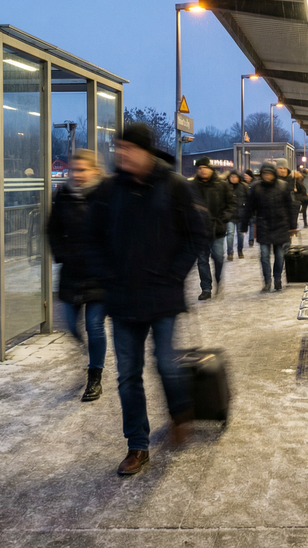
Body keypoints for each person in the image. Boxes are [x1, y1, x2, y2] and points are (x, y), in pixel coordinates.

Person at [87, 123, 210, 475]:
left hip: (163, 296)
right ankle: (137, 446)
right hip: (123, 300)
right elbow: (91, 237)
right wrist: (107, 275)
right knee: (128, 375)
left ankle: (180, 411)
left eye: (128, 148)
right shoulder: (109, 190)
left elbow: (197, 233)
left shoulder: (173, 187)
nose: (122, 154)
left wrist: (175, 273)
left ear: (146, 151)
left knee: (167, 365)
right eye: (118, 148)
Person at [46, 149, 107, 402]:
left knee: (94, 326)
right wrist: (62, 255)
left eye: (83, 169)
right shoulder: (63, 196)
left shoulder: (105, 197)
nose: (78, 174)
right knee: (71, 326)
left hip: (98, 275)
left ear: (95, 170)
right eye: (74, 170)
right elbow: (52, 230)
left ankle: (95, 376)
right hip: (71, 273)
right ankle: (91, 353)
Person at [242, 160, 297, 291]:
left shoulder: (283, 186)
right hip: (264, 225)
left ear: (273, 174)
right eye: (265, 174)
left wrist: (292, 226)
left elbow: (290, 207)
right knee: (265, 256)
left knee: (279, 256)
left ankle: (277, 279)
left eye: (269, 174)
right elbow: (249, 208)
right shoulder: (257, 188)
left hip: (280, 225)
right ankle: (267, 281)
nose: (267, 176)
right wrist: (244, 225)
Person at [190, 158, 235, 301]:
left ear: (211, 169)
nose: (202, 170)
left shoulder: (221, 185)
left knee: (218, 257)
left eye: (205, 167)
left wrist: (223, 218)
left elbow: (231, 204)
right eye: (199, 168)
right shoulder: (192, 186)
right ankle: (206, 288)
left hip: (218, 229)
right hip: (199, 230)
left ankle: (218, 278)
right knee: (202, 260)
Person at [225, 170, 249, 260]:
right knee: (230, 234)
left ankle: (240, 251)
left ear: (239, 178)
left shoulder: (243, 187)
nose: (233, 178)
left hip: (241, 214)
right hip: (230, 215)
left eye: (235, 177)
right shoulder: (226, 187)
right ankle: (230, 253)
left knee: (240, 234)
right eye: (232, 177)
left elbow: (248, 199)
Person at [242, 170, 257, 247]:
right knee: (250, 223)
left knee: (252, 223)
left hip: (252, 207)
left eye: (247, 176)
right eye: (245, 176)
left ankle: (251, 240)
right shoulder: (242, 184)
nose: (246, 177)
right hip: (244, 206)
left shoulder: (254, 184)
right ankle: (251, 239)